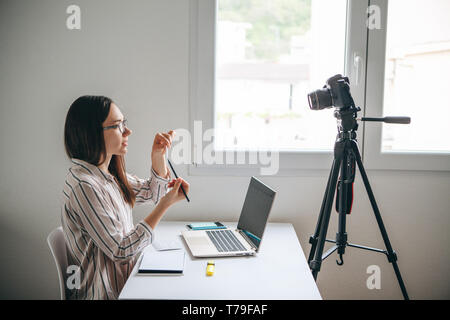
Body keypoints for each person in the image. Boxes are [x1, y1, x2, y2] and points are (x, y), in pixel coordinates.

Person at [61, 95, 189, 299]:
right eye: (118, 126)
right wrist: (165, 205)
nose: (128, 131)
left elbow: (151, 192)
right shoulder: (85, 186)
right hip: (107, 293)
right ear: (93, 133)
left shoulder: (106, 174)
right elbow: (122, 250)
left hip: (126, 282)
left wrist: (158, 156)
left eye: (124, 123)